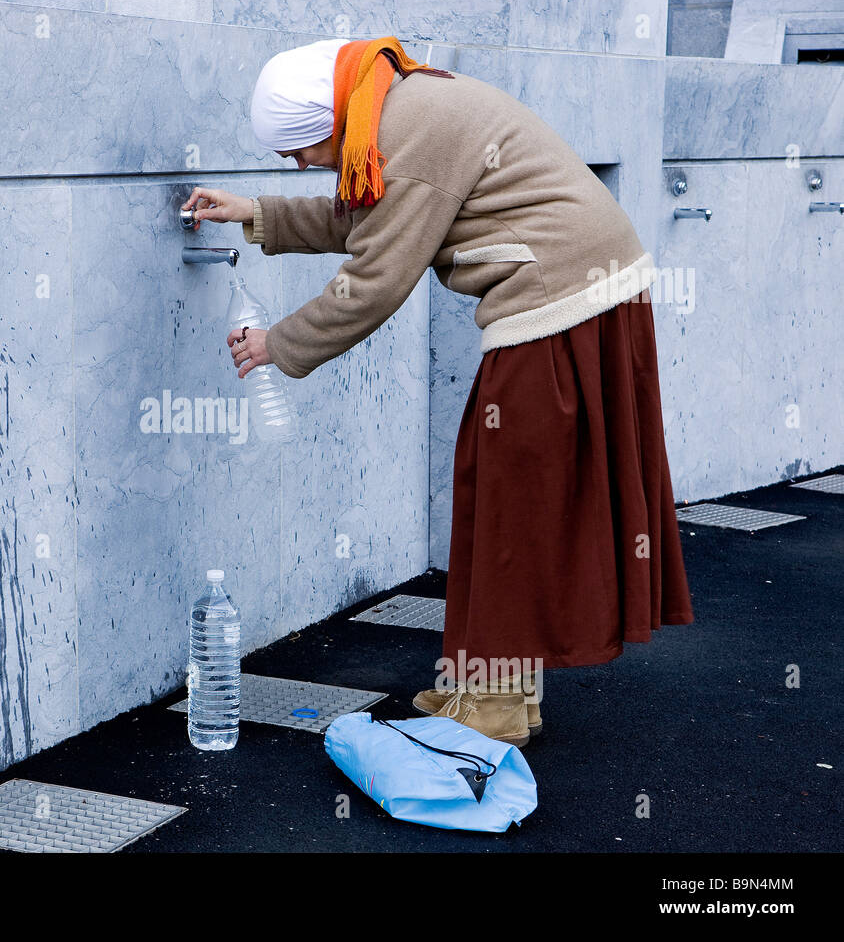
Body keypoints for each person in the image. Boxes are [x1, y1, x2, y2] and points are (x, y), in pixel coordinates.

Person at [181, 37, 695, 748]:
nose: (299, 165)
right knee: (503, 487)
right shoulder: (393, 107)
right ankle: (496, 689)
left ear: (327, 123)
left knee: (510, 498)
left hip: (562, 301)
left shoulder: (404, 132)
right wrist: (256, 214)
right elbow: (369, 216)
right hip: (583, 293)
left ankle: (494, 705)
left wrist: (280, 343)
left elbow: (376, 278)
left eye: (297, 151)